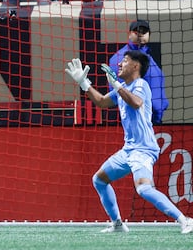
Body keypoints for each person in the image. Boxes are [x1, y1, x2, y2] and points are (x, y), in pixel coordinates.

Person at [65, 52, 193, 234]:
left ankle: (185, 220)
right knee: (99, 180)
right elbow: (101, 102)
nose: (119, 64)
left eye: (125, 61)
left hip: (144, 149)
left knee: (143, 188)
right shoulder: (123, 87)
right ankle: (117, 224)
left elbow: (136, 102)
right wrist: (84, 83)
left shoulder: (141, 84)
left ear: (135, 66)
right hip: (128, 150)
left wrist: (116, 85)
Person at [108, 20, 168, 125]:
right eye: (136, 31)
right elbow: (118, 92)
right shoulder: (119, 58)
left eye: (144, 31)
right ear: (129, 34)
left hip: (150, 119)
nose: (140, 34)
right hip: (138, 120)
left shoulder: (147, 55)